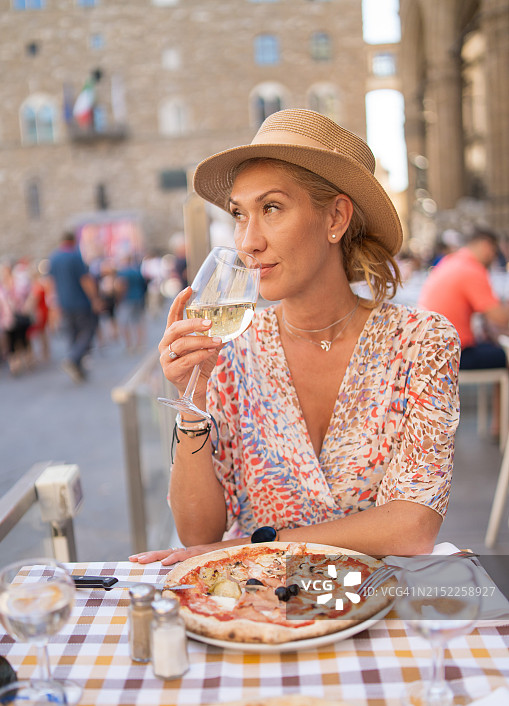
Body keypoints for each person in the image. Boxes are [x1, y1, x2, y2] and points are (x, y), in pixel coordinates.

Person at [130, 108, 460, 568]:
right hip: (262, 613)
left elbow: (412, 526)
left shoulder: (421, 343)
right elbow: (198, 532)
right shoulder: (233, 351)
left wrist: (257, 544)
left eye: (271, 208)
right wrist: (192, 401)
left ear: (336, 218)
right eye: (239, 214)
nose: (248, 240)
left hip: (373, 612)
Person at [419, 228, 509, 371]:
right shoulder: (472, 269)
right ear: (486, 245)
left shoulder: (452, 260)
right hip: (452, 352)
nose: (494, 256)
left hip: (431, 348)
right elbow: (499, 318)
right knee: (505, 355)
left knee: (494, 348)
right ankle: (502, 394)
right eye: (494, 251)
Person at [48, 231, 102, 383]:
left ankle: (77, 368)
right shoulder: (75, 256)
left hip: (64, 303)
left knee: (72, 335)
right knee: (87, 332)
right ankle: (73, 359)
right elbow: (85, 280)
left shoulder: (54, 258)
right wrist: (95, 299)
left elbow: (51, 283)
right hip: (80, 303)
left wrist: (55, 304)